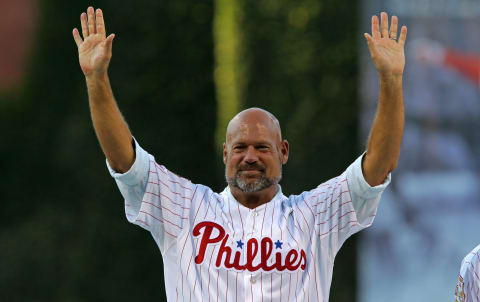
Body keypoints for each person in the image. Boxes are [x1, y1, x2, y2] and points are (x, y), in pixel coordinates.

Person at [72, 7, 407, 302]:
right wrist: (96, 80)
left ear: (283, 151)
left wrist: (390, 81)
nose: (250, 157)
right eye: (240, 148)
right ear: (225, 154)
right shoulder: (184, 209)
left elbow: (377, 167)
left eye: (262, 147)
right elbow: (124, 161)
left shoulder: (315, 217)